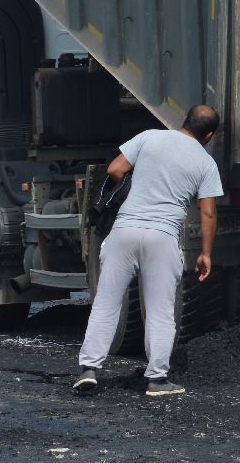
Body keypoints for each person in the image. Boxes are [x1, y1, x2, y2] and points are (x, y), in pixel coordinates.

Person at [73, 104, 224, 397]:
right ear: (209, 136)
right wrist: (206, 252)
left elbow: (115, 169)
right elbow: (208, 213)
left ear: (184, 121)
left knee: (106, 303)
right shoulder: (205, 163)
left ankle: (89, 370)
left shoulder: (149, 137)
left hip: (124, 232)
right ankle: (156, 379)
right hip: (162, 236)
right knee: (160, 310)